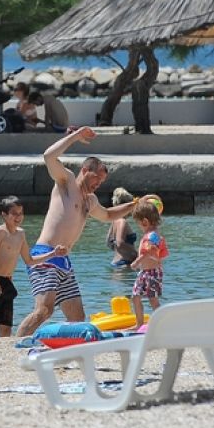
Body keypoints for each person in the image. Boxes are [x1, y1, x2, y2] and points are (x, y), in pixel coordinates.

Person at [15, 127, 140, 337]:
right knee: (43, 311)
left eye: (101, 182)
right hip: (46, 255)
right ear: (85, 170)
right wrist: (76, 136)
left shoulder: (90, 201)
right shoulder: (67, 183)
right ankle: (16, 344)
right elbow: (48, 156)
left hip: (64, 260)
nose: (98, 185)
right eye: (96, 179)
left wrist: (134, 204)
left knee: (77, 318)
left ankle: (66, 352)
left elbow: (108, 215)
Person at [0, 196, 67, 339]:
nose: (18, 217)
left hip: (7, 283)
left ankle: (2, 354)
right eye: (14, 213)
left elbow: (29, 260)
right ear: (4, 215)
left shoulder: (21, 234)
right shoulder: (0, 232)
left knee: (6, 327)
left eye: (21, 213)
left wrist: (53, 253)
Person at [129, 197, 168, 329]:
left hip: (153, 273)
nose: (138, 226)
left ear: (145, 222)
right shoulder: (151, 235)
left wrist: (136, 262)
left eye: (138, 223)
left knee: (153, 298)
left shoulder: (153, 236)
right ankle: (139, 323)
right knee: (135, 296)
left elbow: (148, 253)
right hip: (144, 272)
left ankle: (163, 324)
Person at [105, 187, 138, 267]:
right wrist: (138, 254)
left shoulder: (114, 220)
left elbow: (109, 243)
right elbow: (120, 243)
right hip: (124, 263)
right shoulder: (122, 221)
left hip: (117, 262)